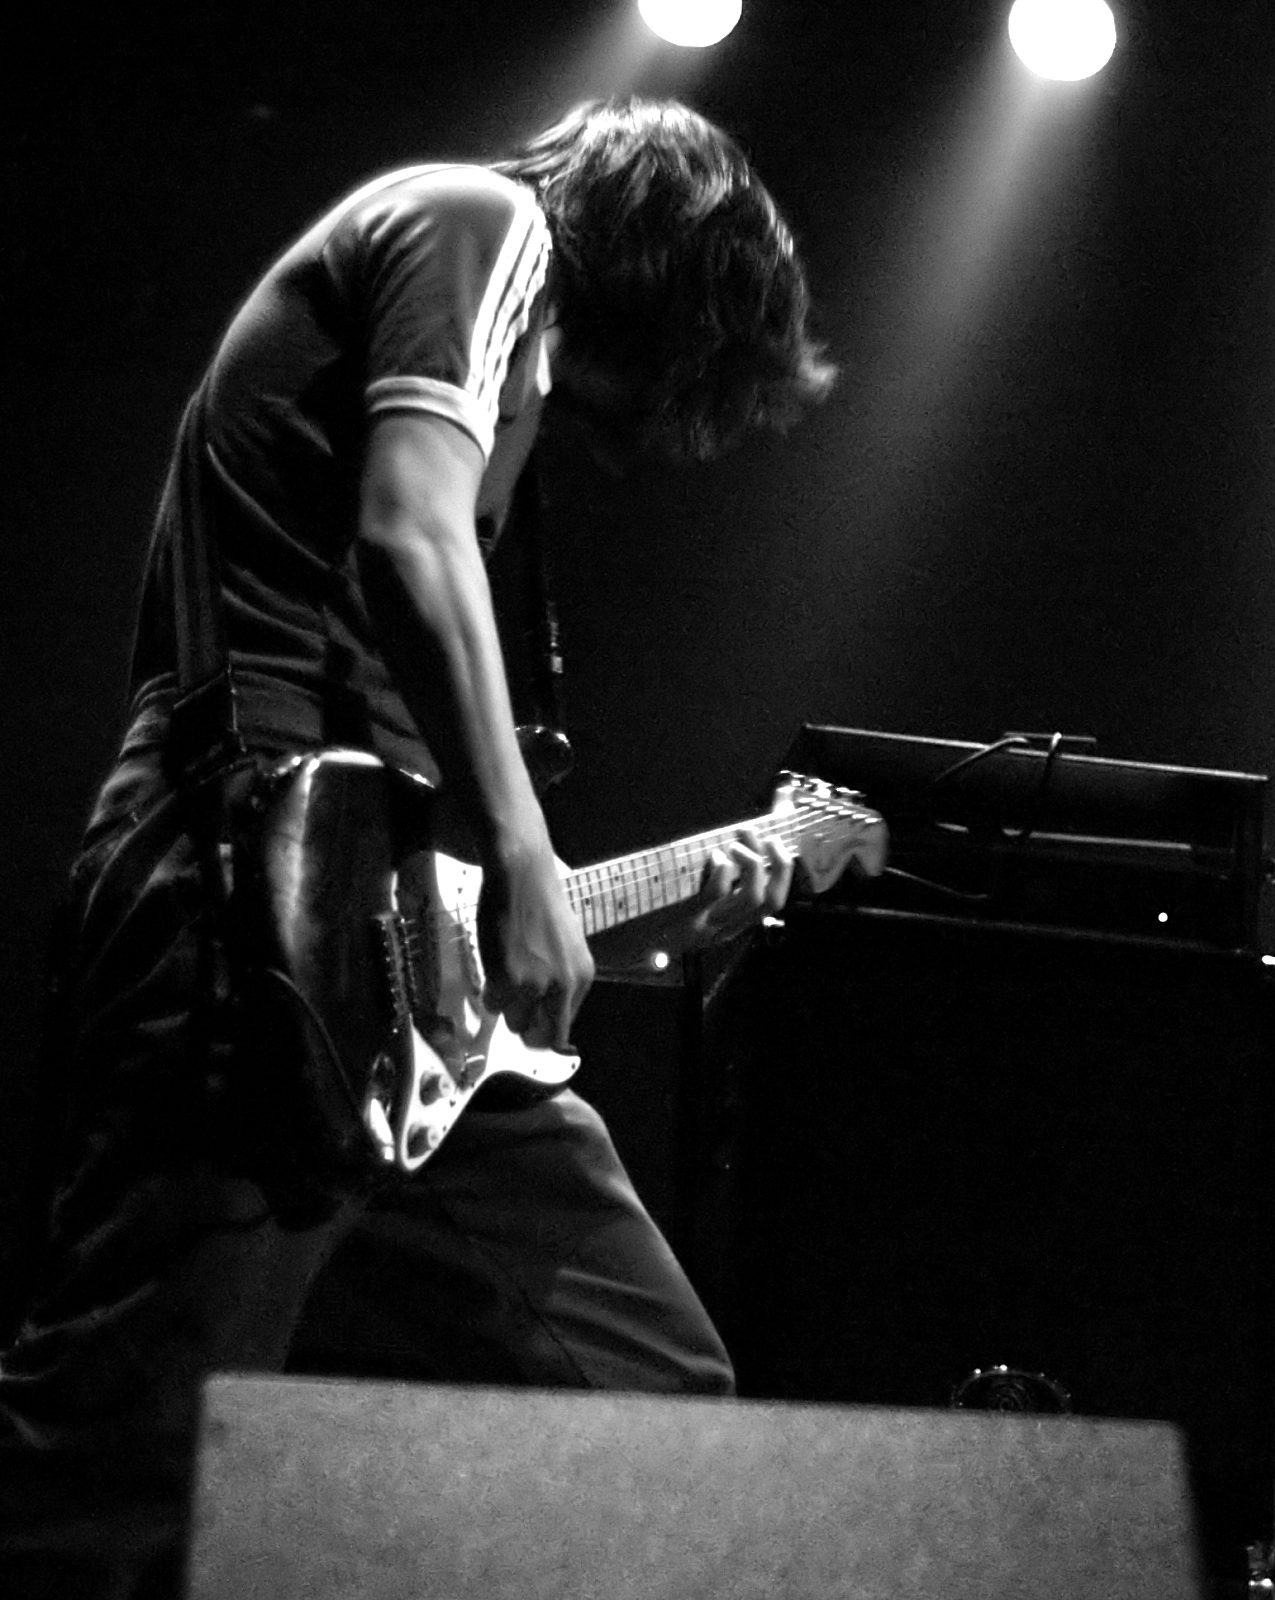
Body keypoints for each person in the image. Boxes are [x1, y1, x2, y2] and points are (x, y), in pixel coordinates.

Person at [0, 98, 836, 1599]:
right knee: (122, 1457)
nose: (640, 425)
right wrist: (521, 849)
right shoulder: (482, 222)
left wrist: (597, 907)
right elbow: (409, 532)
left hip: (375, 957)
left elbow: (413, 765)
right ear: (665, 271)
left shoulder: (497, 345)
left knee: (647, 1393)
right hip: (240, 889)